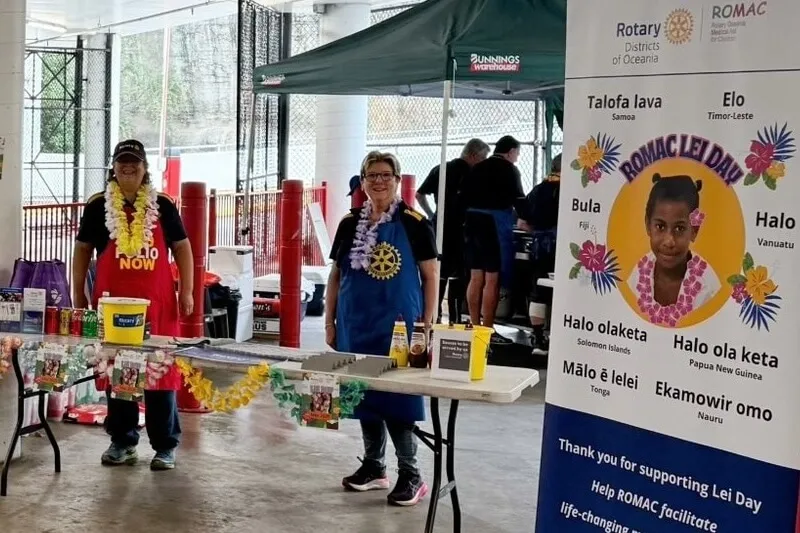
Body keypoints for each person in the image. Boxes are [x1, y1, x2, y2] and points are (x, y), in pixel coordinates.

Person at [72, 139, 195, 471]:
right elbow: (83, 250)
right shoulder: (99, 206)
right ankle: (123, 440)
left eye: (134, 164)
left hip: (157, 305)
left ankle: (165, 445)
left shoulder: (163, 204)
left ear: (145, 168)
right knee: (118, 372)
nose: (128, 169)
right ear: (113, 168)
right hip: (113, 307)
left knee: (159, 373)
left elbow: (183, 248)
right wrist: (77, 292)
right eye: (122, 164)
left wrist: (187, 290)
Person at [326, 151, 437, 507]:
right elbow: (336, 274)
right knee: (363, 394)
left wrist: (428, 323)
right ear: (362, 181)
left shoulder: (415, 222)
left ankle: (411, 474)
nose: (378, 181)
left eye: (385, 175)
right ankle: (374, 467)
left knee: (397, 397)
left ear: (397, 179)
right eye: (371, 175)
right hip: (356, 323)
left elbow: (431, 275)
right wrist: (329, 320)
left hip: (399, 325)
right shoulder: (349, 222)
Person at [627, 173, 720, 327]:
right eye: (660, 226)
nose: (669, 241)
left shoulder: (708, 288)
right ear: (647, 224)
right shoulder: (638, 274)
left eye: (679, 228)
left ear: (694, 230)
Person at [416, 138, 490, 323]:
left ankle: (434, 315)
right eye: (483, 158)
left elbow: (419, 194)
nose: (483, 162)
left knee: (438, 272)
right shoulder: (473, 174)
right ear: (473, 156)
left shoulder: (440, 169)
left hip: (439, 227)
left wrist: (432, 213)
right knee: (459, 274)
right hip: (461, 229)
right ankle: (455, 319)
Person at [460, 135, 525, 342]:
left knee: (475, 276)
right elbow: (519, 200)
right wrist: (529, 217)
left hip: (471, 222)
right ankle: (487, 330)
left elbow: (463, 196)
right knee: (492, 279)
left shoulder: (478, 167)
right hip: (494, 224)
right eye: (517, 154)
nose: (516, 159)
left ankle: (474, 324)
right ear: (511, 151)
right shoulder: (510, 169)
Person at [518, 154, 561, 355]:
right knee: (561, 292)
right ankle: (559, 337)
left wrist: (538, 232)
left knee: (538, 291)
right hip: (562, 246)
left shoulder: (537, 190)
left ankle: (538, 338)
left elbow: (521, 223)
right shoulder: (571, 190)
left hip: (539, 246)